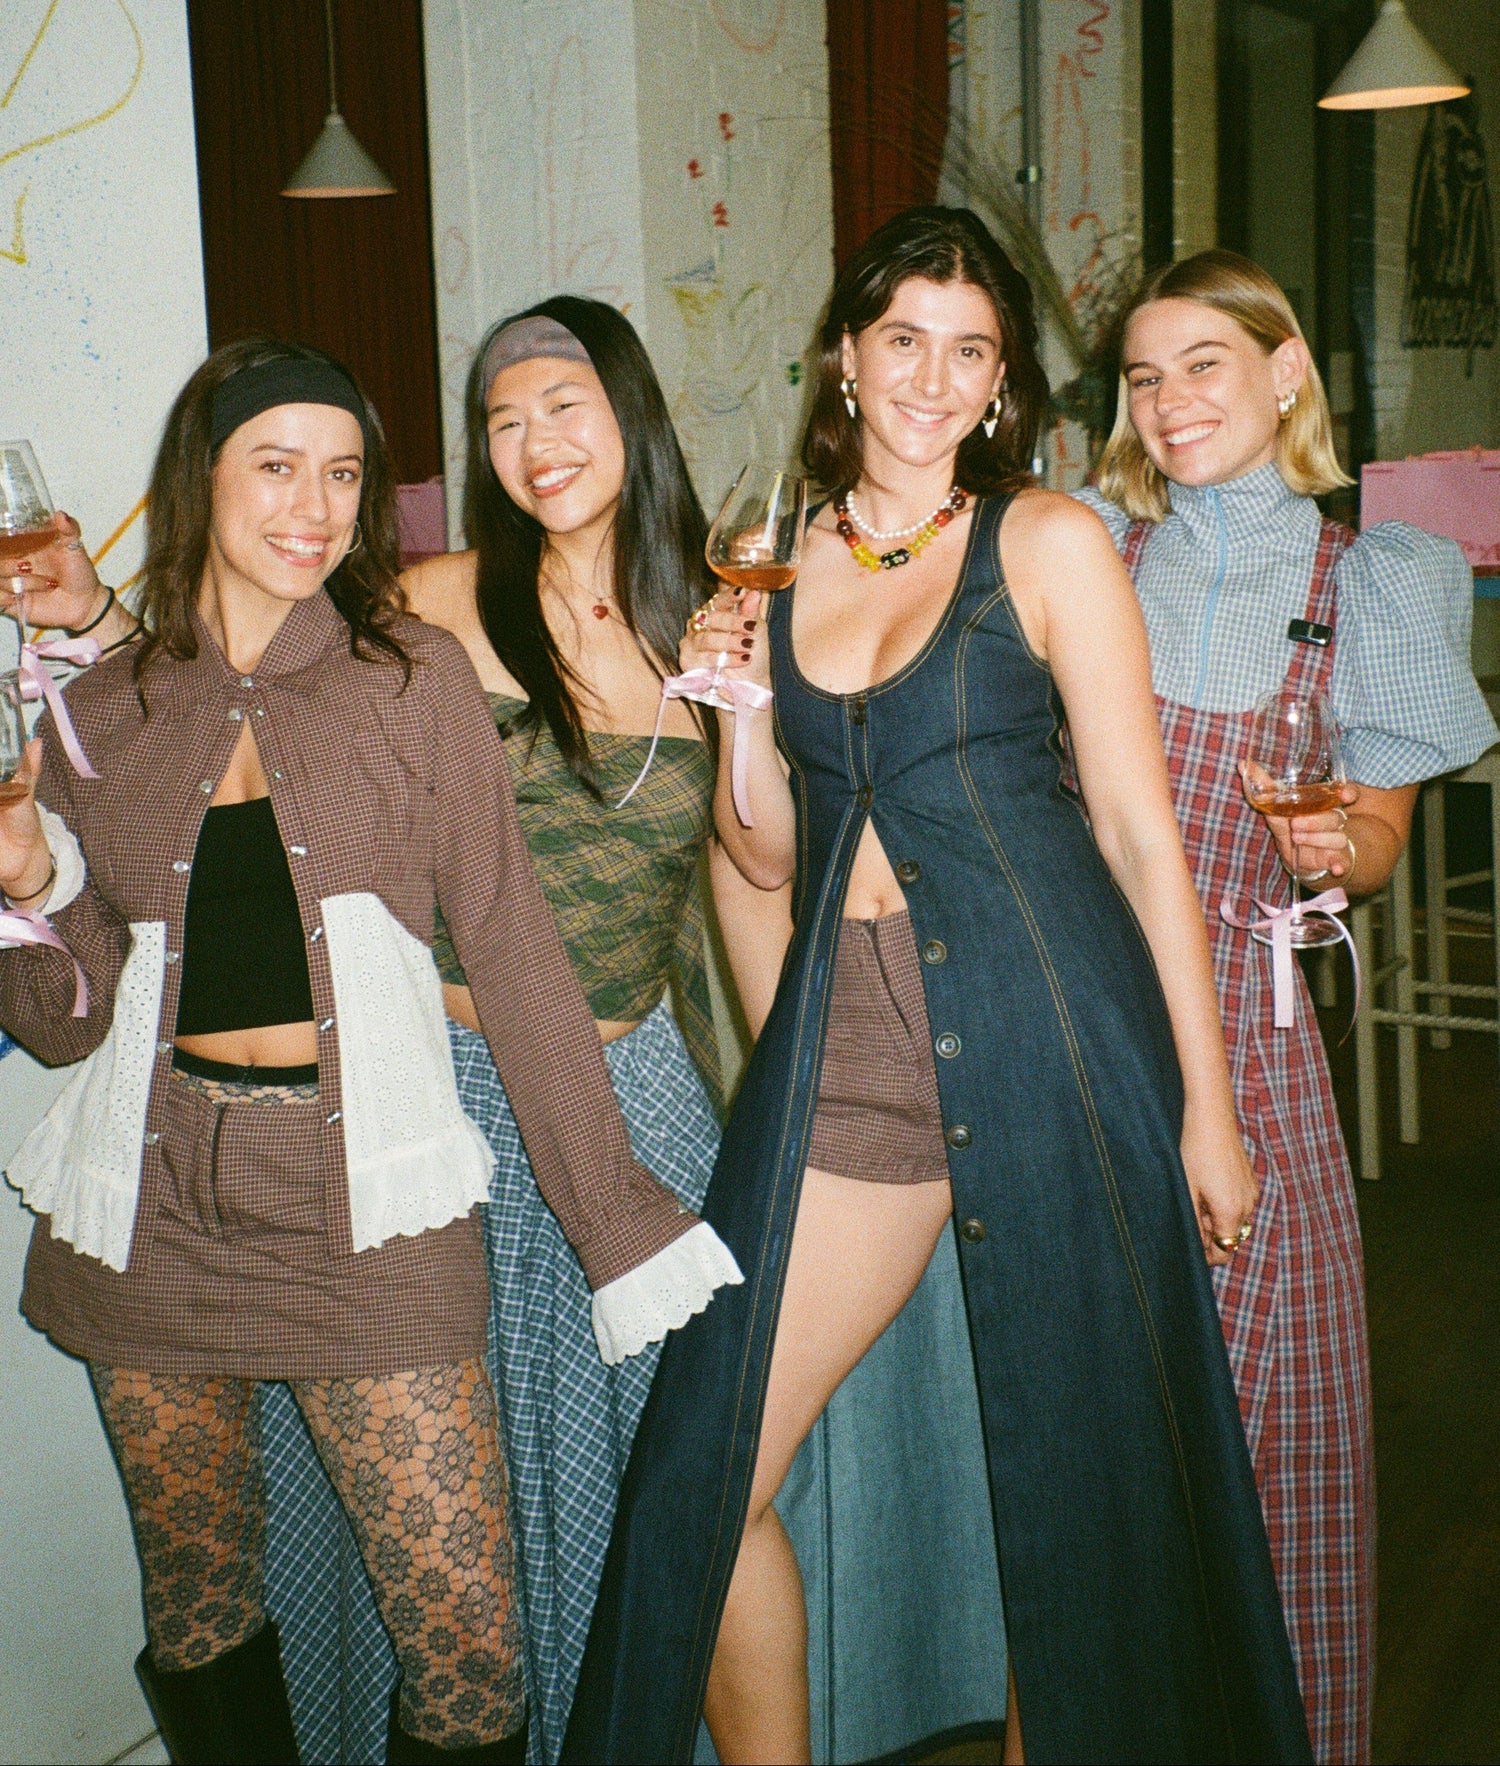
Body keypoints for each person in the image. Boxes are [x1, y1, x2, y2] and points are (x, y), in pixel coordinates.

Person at [564, 205, 1313, 1765]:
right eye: (904, 339)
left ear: (1000, 382)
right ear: (846, 356)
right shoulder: (776, 564)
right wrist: (741, 709)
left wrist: (1209, 1111)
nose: (932, 378)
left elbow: (1139, 835)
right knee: (703, 1469)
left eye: (970, 352)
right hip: (857, 1050)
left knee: (1085, 1502)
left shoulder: (1046, 542)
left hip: (1053, 1032)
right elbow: (761, 855)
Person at [0, 339, 737, 1765]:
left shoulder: (412, 682)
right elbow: (66, 1021)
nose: (315, 506)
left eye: (342, 474)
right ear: (201, 480)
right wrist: (28, 882)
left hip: (367, 1207)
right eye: (276, 466)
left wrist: (613, 1216)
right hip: (148, 1210)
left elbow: (514, 947)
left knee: (467, 1645)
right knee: (200, 1601)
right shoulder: (97, 711)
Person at [256, 299, 732, 1766]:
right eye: (503, 420)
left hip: (630, 1096)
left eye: (564, 404)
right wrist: (88, 627)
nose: (535, 442)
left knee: (656, 1477)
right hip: (439, 1089)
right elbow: (239, 687)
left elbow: (761, 877)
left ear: (631, 409)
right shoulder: (438, 601)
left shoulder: (724, 613)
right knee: (443, 1496)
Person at [1076, 248, 1499, 1766]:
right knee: (1098, 1425)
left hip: (1252, 1042)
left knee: (1288, 1417)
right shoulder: (1089, 553)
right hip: (1081, 1022)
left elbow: (1376, 842)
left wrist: (1338, 846)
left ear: (1286, 370)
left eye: (1205, 363)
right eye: (1146, 376)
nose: (1171, 400)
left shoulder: (1369, 580)